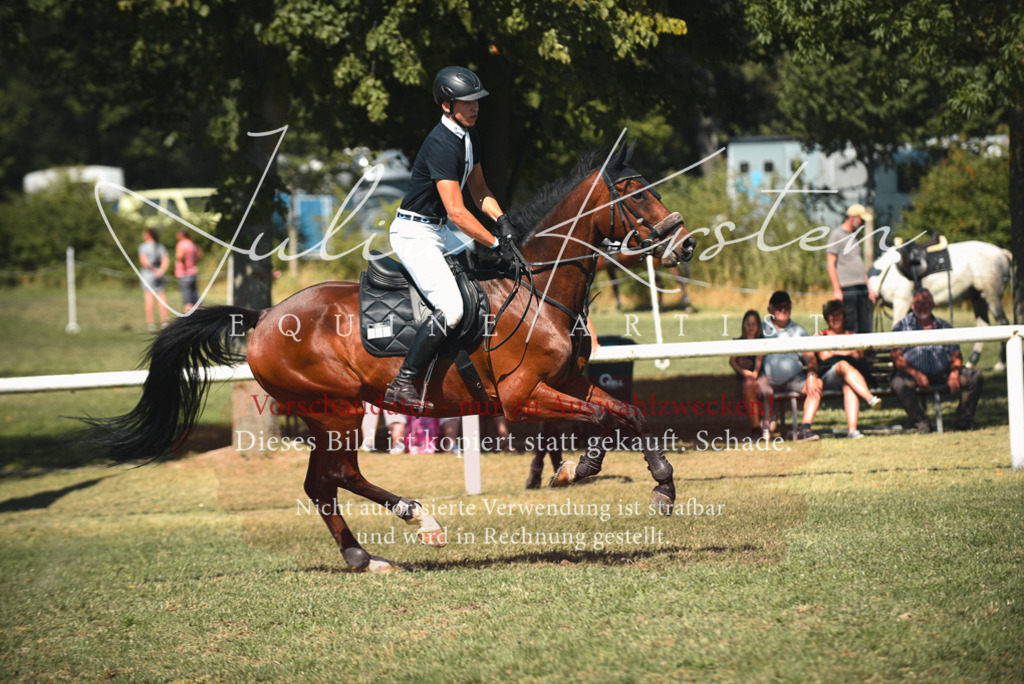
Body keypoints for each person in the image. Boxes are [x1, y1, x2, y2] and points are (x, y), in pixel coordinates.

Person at [383, 66, 517, 414]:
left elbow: (480, 191)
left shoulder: (468, 137)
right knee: (453, 307)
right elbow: (458, 212)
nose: (475, 107)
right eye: (467, 102)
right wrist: (494, 243)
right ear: (446, 105)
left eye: (477, 101)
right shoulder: (441, 144)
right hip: (416, 233)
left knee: (487, 282)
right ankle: (403, 381)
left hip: (438, 229)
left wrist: (503, 222)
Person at [890, 288, 984, 433]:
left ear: (933, 305)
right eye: (919, 303)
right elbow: (897, 358)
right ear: (912, 305)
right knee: (899, 383)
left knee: (975, 376)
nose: (923, 307)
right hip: (912, 375)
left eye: (927, 303)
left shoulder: (944, 326)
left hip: (944, 374)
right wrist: (916, 374)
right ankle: (922, 423)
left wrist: (954, 373)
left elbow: (956, 355)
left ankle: (964, 421)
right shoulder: (902, 326)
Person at [760, 291, 823, 441]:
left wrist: (812, 376)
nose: (783, 310)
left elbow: (810, 360)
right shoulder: (761, 330)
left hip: (794, 380)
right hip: (766, 382)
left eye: (787, 307)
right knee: (752, 385)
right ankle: (762, 427)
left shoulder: (799, 332)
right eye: (779, 307)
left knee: (817, 384)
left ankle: (805, 430)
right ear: (770, 309)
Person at [817, 300, 882, 439]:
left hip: (850, 378)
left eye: (838, 314)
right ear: (826, 317)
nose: (835, 318)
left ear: (844, 316)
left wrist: (835, 351)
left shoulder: (851, 335)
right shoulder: (821, 335)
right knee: (842, 365)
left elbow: (860, 354)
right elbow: (824, 356)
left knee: (849, 386)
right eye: (831, 315)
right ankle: (870, 398)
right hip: (828, 378)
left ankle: (852, 430)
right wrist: (848, 352)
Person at [826, 203, 877, 334]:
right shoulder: (836, 234)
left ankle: (865, 354)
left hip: (862, 287)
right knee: (850, 325)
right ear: (853, 217)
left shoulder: (855, 236)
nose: (862, 223)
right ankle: (851, 354)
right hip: (847, 287)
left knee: (865, 326)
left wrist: (869, 286)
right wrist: (837, 290)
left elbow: (858, 263)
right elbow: (831, 263)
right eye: (861, 219)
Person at [729, 309, 772, 438]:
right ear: (743, 325)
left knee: (764, 391)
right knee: (747, 384)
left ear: (758, 326)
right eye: (748, 324)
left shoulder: (761, 342)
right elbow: (732, 361)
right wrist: (744, 371)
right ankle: (756, 429)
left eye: (753, 324)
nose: (750, 327)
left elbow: (758, 363)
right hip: (744, 377)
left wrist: (753, 373)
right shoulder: (738, 342)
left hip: (759, 376)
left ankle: (766, 422)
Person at [138, 228, 170, 330]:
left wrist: (153, 270)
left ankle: (150, 323)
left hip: (148, 275)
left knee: (149, 298)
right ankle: (164, 321)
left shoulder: (143, 247)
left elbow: (144, 262)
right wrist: (160, 271)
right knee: (161, 297)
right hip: (158, 275)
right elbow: (165, 260)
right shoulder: (160, 247)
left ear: (148, 235)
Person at [174, 229, 203, 313]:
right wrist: (194, 262)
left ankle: (189, 319)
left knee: (187, 300)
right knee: (195, 298)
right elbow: (200, 253)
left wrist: (184, 264)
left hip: (184, 273)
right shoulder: (192, 244)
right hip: (193, 272)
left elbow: (180, 256)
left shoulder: (181, 244)